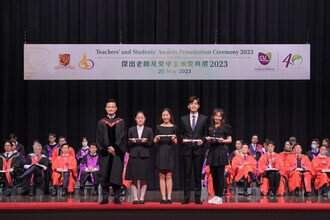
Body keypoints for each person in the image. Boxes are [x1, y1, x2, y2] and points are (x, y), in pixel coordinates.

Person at [96, 99, 127, 204]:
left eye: (113, 107)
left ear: (116, 109)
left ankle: (117, 197)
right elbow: (99, 138)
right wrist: (107, 149)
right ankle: (105, 197)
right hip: (105, 154)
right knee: (104, 174)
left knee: (116, 174)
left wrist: (115, 148)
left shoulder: (121, 122)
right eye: (109, 107)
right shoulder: (101, 122)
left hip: (117, 153)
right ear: (105, 108)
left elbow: (123, 137)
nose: (110, 109)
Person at [180, 96, 208, 204]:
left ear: (198, 106)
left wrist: (203, 140)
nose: (193, 105)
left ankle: (197, 198)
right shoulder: (183, 119)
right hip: (187, 150)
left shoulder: (204, 119)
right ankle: (186, 197)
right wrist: (183, 139)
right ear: (188, 106)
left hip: (198, 150)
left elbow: (206, 134)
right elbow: (181, 134)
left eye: (195, 103)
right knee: (187, 174)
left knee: (197, 174)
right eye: (191, 104)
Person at [205, 108, 232, 205]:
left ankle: (220, 197)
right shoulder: (211, 128)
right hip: (212, 152)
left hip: (220, 152)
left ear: (222, 117)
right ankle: (215, 196)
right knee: (214, 175)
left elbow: (230, 139)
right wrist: (208, 139)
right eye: (215, 115)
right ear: (213, 116)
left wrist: (223, 140)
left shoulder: (226, 127)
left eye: (219, 116)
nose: (217, 117)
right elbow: (209, 140)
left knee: (220, 175)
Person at [126, 111, 153, 204]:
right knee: (133, 178)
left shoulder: (149, 130)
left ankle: (141, 198)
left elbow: (151, 144)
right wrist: (132, 141)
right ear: (135, 119)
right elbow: (128, 143)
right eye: (138, 117)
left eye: (142, 117)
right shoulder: (131, 129)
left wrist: (146, 142)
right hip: (133, 155)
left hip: (144, 156)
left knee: (143, 178)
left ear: (145, 119)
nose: (140, 119)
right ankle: (135, 198)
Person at [153, 108, 178, 204]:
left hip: (169, 151)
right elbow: (154, 141)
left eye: (167, 115)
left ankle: (169, 197)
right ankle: (163, 197)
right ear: (161, 116)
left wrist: (173, 139)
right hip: (161, 151)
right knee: (161, 175)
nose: (165, 117)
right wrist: (156, 139)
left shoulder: (174, 127)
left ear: (170, 116)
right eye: (163, 115)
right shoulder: (158, 127)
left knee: (169, 175)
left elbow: (176, 142)